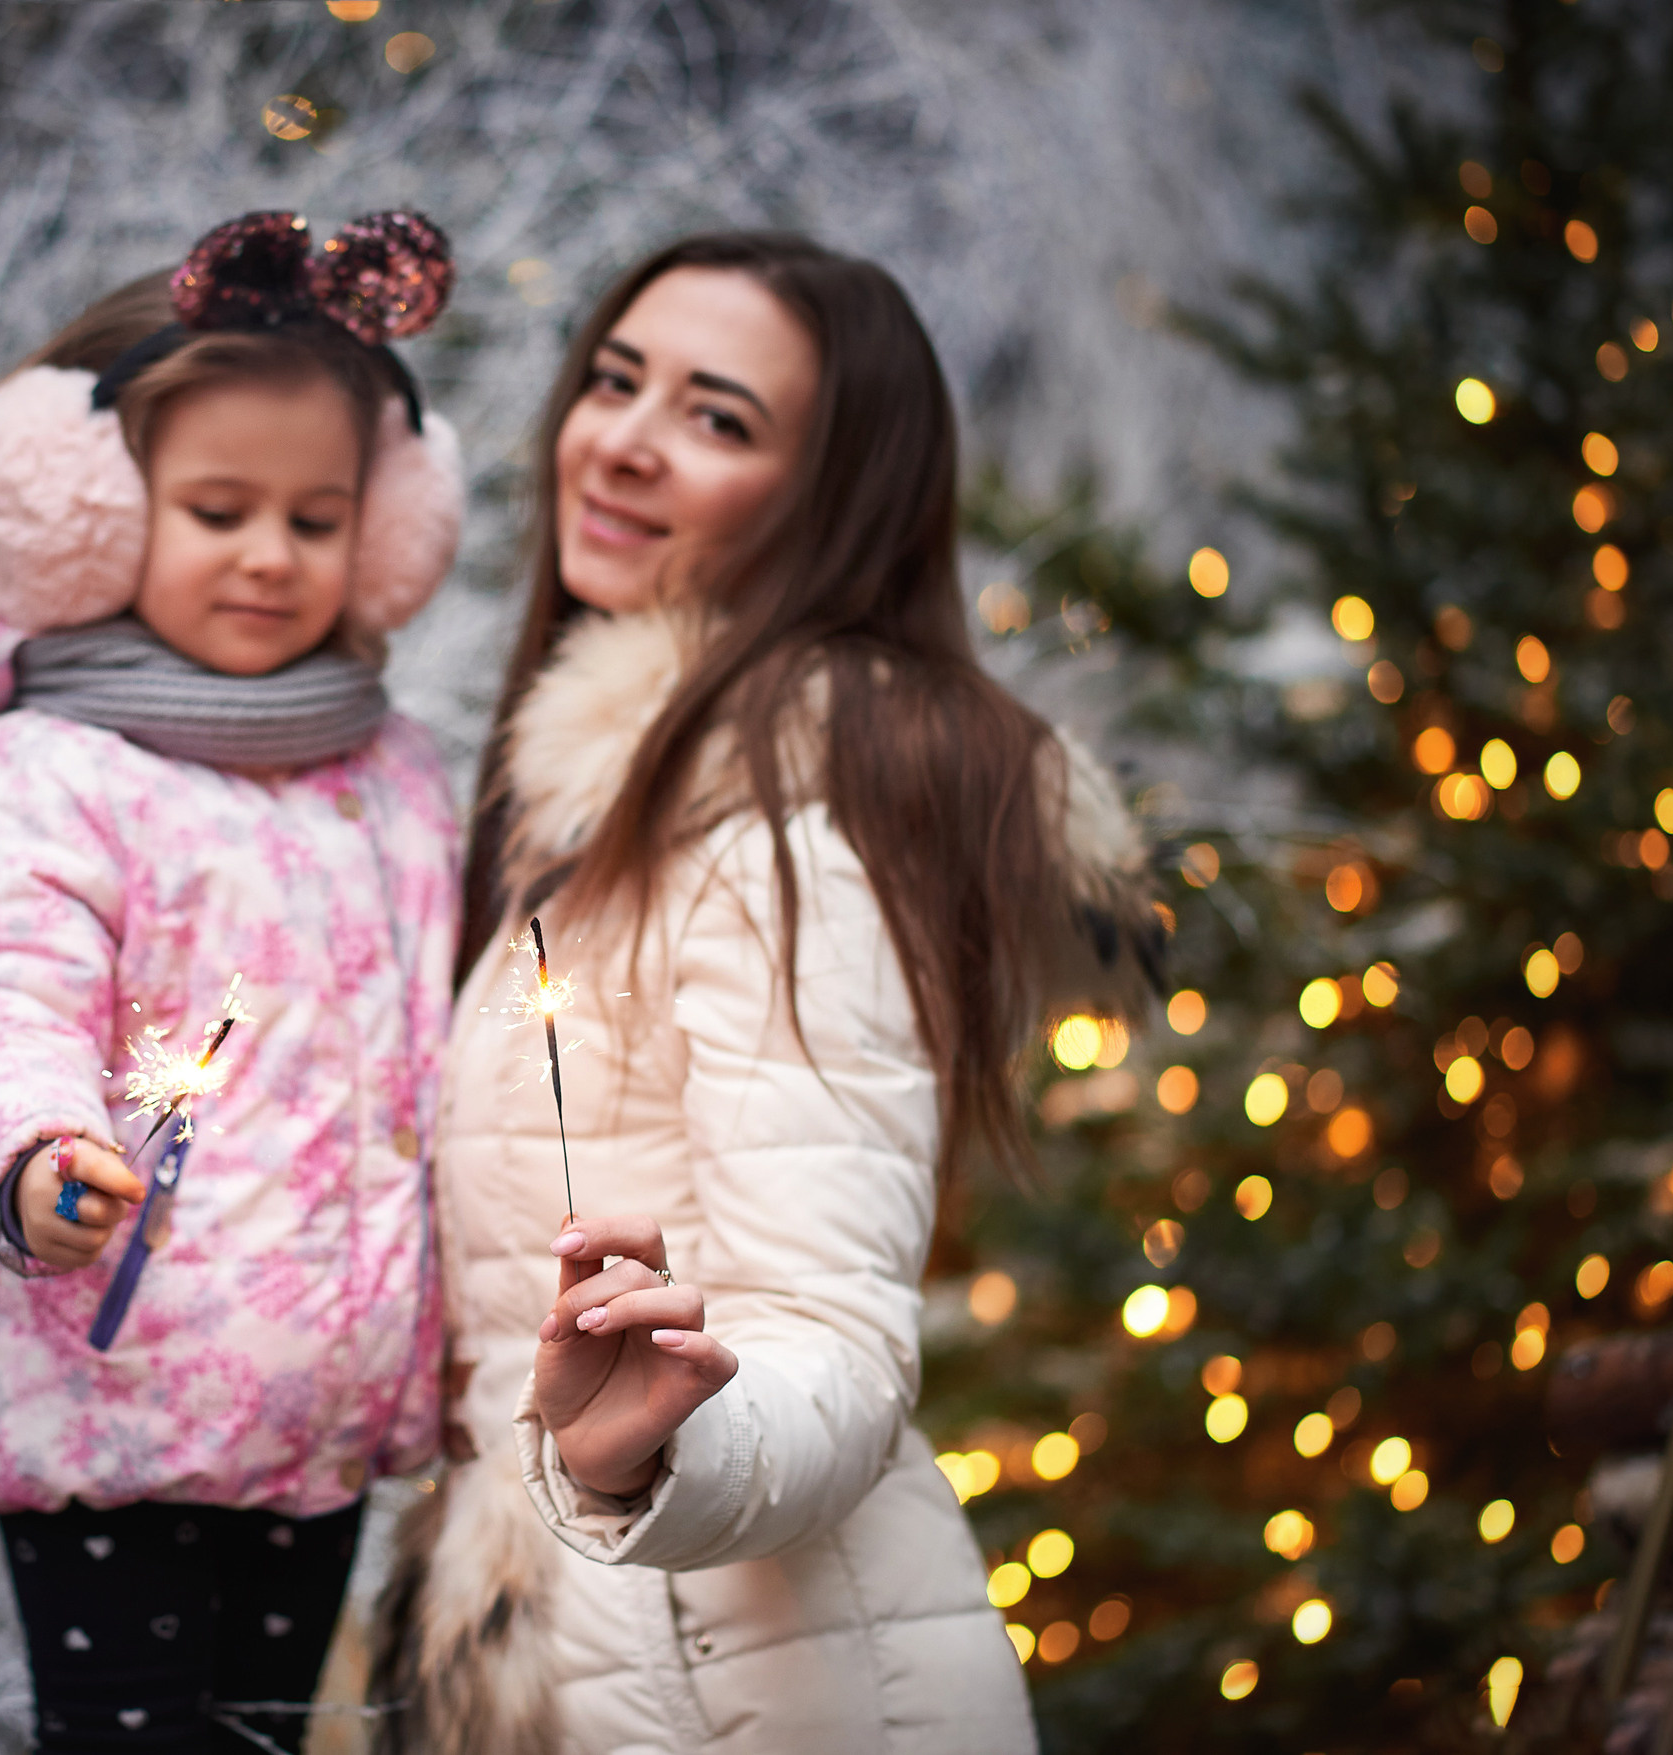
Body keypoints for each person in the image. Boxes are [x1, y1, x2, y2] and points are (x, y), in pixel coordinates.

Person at [374, 233, 1154, 1754]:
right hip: (592, 1656)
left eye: (718, 419)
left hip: (737, 1676)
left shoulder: (786, 827)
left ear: (828, 502)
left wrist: (650, 1452)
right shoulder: (598, 814)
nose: (626, 441)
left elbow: (834, 1335)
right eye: (615, 381)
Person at [0, 210, 468, 1755]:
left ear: (381, 537)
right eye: (218, 509)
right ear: (99, 521)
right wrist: (36, 1153)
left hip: (322, 1419)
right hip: (109, 1405)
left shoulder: (395, 774)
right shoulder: (57, 769)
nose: (271, 554)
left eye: (318, 521)